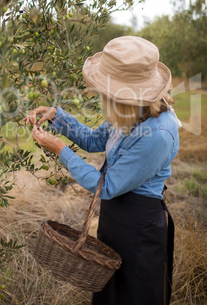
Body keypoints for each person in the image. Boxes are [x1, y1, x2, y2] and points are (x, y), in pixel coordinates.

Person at [23, 36, 180, 305]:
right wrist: (57, 117)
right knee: (111, 293)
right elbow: (96, 140)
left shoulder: (158, 133)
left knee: (136, 293)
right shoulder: (132, 112)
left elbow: (105, 186)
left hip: (139, 226)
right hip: (115, 217)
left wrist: (61, 150)